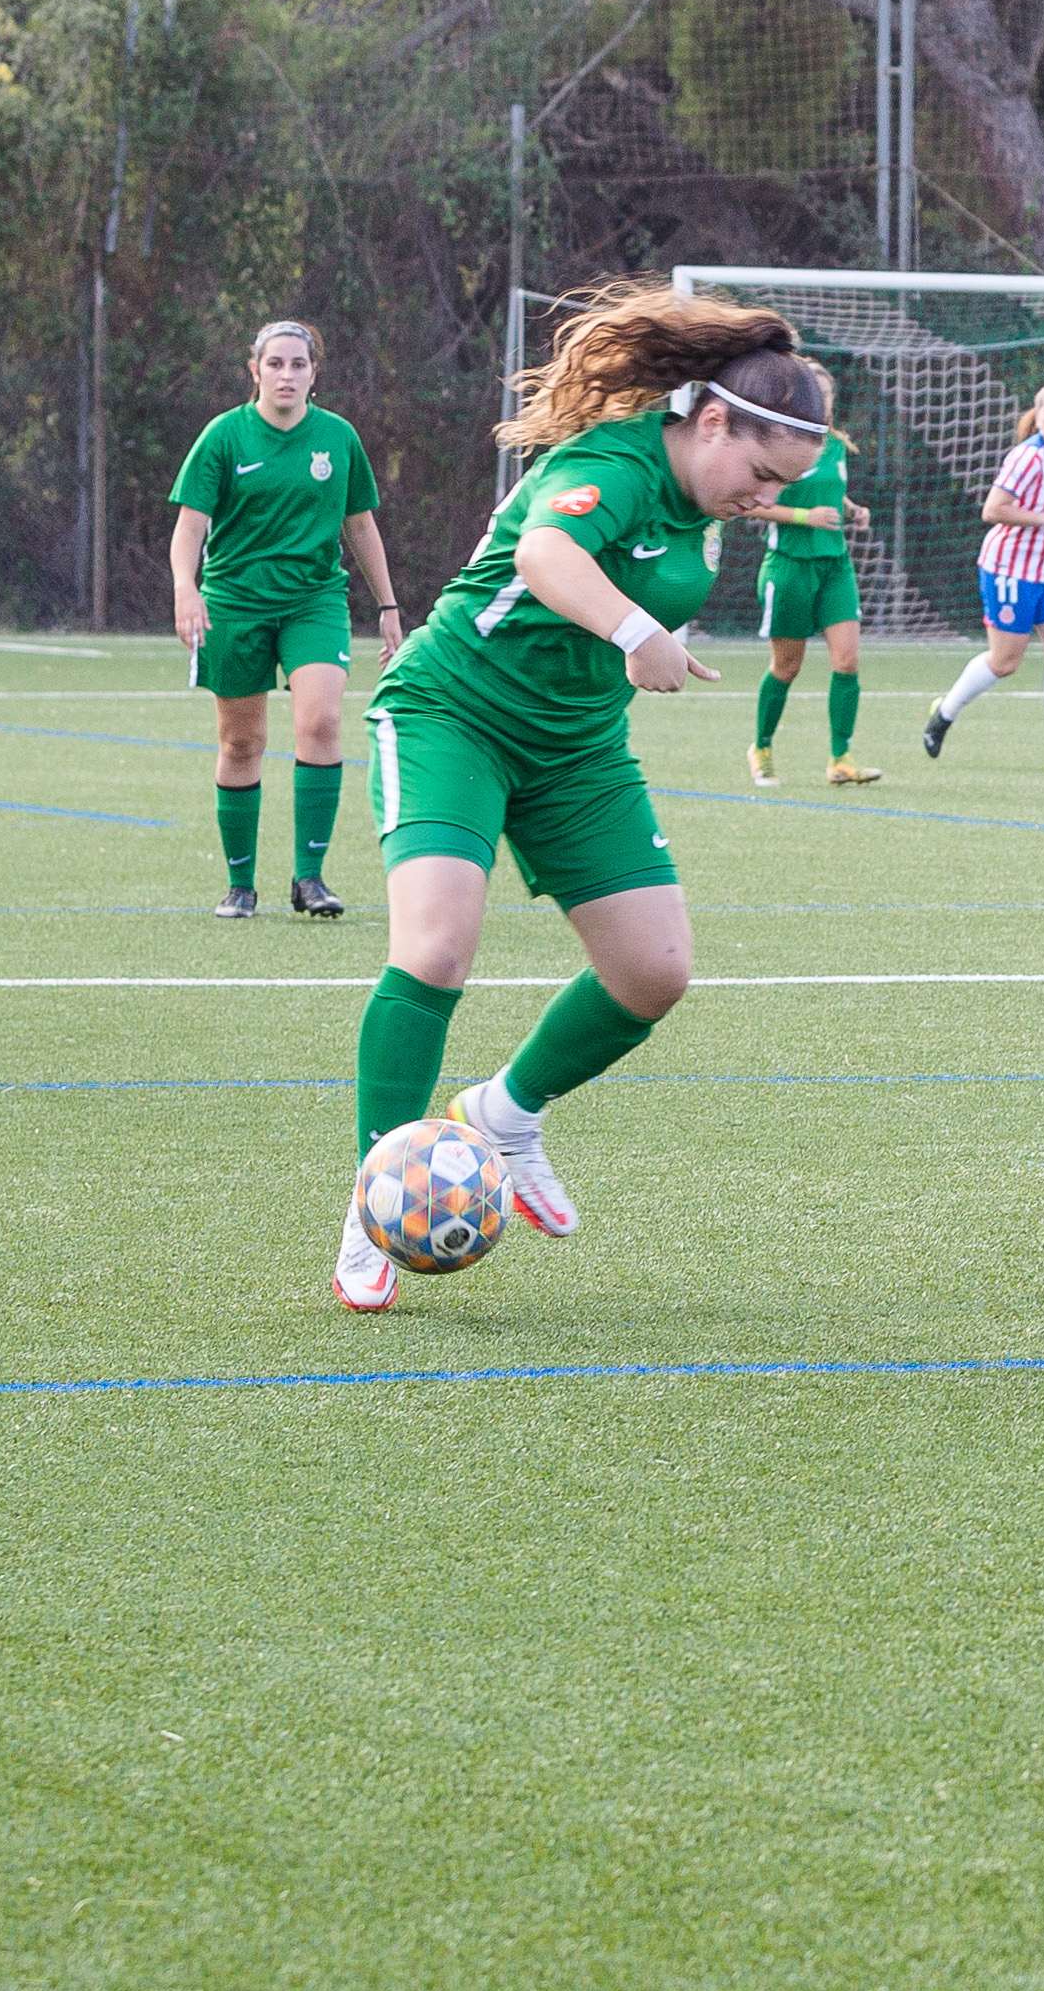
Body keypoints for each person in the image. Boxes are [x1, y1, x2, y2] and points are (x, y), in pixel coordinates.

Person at [337, 288, 833, 1313]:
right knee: (435, 949)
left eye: (782, 485)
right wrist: (637, 635)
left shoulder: (708, 499)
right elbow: (544, 555)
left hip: (576, 749)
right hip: (452, 713)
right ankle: (375, 1190)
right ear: (708, 423)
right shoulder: (611, 462)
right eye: (758, 473)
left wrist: (639, 640)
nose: (763, 497)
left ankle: (506, 1111)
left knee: (655, 973)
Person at [168, 318, 400, 918]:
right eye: (275, 364)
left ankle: (310, 879)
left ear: (314, 374)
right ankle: (240, 885)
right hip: (235, 604)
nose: (287, 374)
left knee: (321, 722)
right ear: (255, 371)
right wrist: (185, 589)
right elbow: (190, 526)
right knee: (241, 740)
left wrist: (389, 605)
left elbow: (360, 524)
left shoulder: (338, 438)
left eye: (299, 364)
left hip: (314, 600)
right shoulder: (223, 437)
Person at [923, 381, 1044, 769]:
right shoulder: (1027, 457)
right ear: (1039, 415)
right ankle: (943, 714)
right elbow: (994, 509)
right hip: (1010, 570)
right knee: (1005, 662)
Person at [751, 418, 881, 788]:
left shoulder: (835, 445)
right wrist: (805, 517)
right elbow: (752, 505)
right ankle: (761, 748)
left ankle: (840, 758)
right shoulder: (777, 443)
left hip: (835, 565)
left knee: (847, 661)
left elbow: (826, 488)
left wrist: (852, 507)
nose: (819, 402)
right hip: (790, 568)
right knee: (787, 666)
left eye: (825, 394)